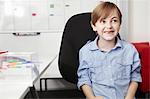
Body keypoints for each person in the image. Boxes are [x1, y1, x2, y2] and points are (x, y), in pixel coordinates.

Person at [77, 1, 142, 99]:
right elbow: (84, 79)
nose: (109, 26)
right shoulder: (86, 52)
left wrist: (129, 97)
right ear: (94, 26)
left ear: (120, 24)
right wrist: (91, 98)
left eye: (114, 21)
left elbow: (135, 76)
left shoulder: (130, 50)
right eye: (103, 21)